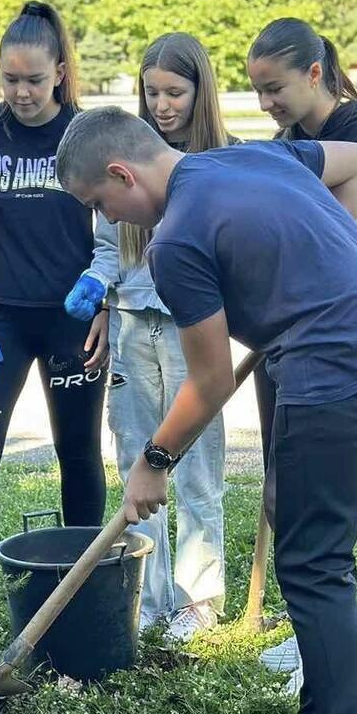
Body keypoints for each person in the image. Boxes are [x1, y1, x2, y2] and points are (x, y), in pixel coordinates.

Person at [57, 105, 357, 714]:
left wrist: (152, 461)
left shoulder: (177, 240)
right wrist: (327, 266)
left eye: (100, 203)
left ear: (123, 174)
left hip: (340, 373)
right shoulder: (247, 159)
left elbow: (210, 378)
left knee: (317, 568)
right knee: (312, 556)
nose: (107, 217)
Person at [248, 17, 357, 682]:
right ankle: (303, 629)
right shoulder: (290, 140)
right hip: (286, 338)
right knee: (284, 485)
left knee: (322, 509)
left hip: (338, 349)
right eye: (256, 91)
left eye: (274, 87)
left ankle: (322, 649)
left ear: (315, 73)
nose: (266, 104)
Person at [71, 33, 228, 641]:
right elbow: (108, 245)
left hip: (195, 328)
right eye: (152, 92)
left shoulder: (215, 161)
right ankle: (151, 592)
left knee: (193, 463)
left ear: (200, 92)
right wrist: (99, 291)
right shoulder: (126, 158)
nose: (162, 105)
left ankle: (197, 597)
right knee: (137, 455)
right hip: (135, 320)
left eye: (175, 92)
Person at [0, 1, 114, 533]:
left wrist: (105, 301)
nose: (21, 92)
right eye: (10, 79)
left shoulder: (86, 133)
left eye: (35, 80)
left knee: (78, 450)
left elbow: (116, 230)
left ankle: (82, 573)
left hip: (72, 320)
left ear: (59, 73)